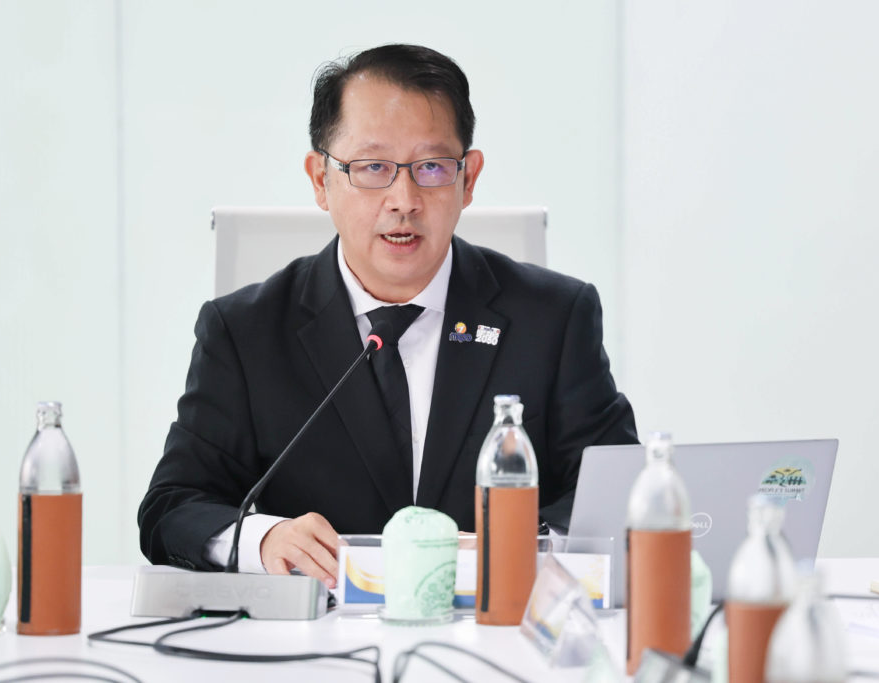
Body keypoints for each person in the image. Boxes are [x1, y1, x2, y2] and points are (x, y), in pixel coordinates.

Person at [138, 44, 637, 589]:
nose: (404, 200)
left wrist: (519, 546)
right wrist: (265, 539)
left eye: (431, 167)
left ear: (468, 179)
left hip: (494, 627)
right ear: (320, 179)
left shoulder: (553, 319)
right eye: (372, 167)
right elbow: (172, 508)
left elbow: (616, 495)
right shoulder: (245, 332)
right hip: (314, 634)